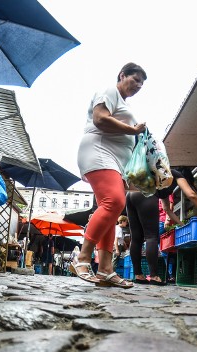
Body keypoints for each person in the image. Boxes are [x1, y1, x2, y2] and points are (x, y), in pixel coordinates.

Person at [70, 62, 148, 288]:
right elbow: (100, 118)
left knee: (111, 211)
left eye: (141, 84)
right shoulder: (109, 91)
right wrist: (133, 130)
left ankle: (105, 269)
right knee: (114, 201)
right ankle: (82, 257)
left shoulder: (122, 102)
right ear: (122, 75)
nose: (138, 86)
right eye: (135, 80)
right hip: (99, 151)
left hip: (116, 161)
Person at [127, 168, 197, 285]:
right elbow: (191, 195)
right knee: (151, 237)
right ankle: (154, 276)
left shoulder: (164, 179)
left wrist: (181, 224)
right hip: (146, 194)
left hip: (131, 194)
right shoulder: (177, 174)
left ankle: (138, 275)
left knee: (136, 238)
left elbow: (167, 210)